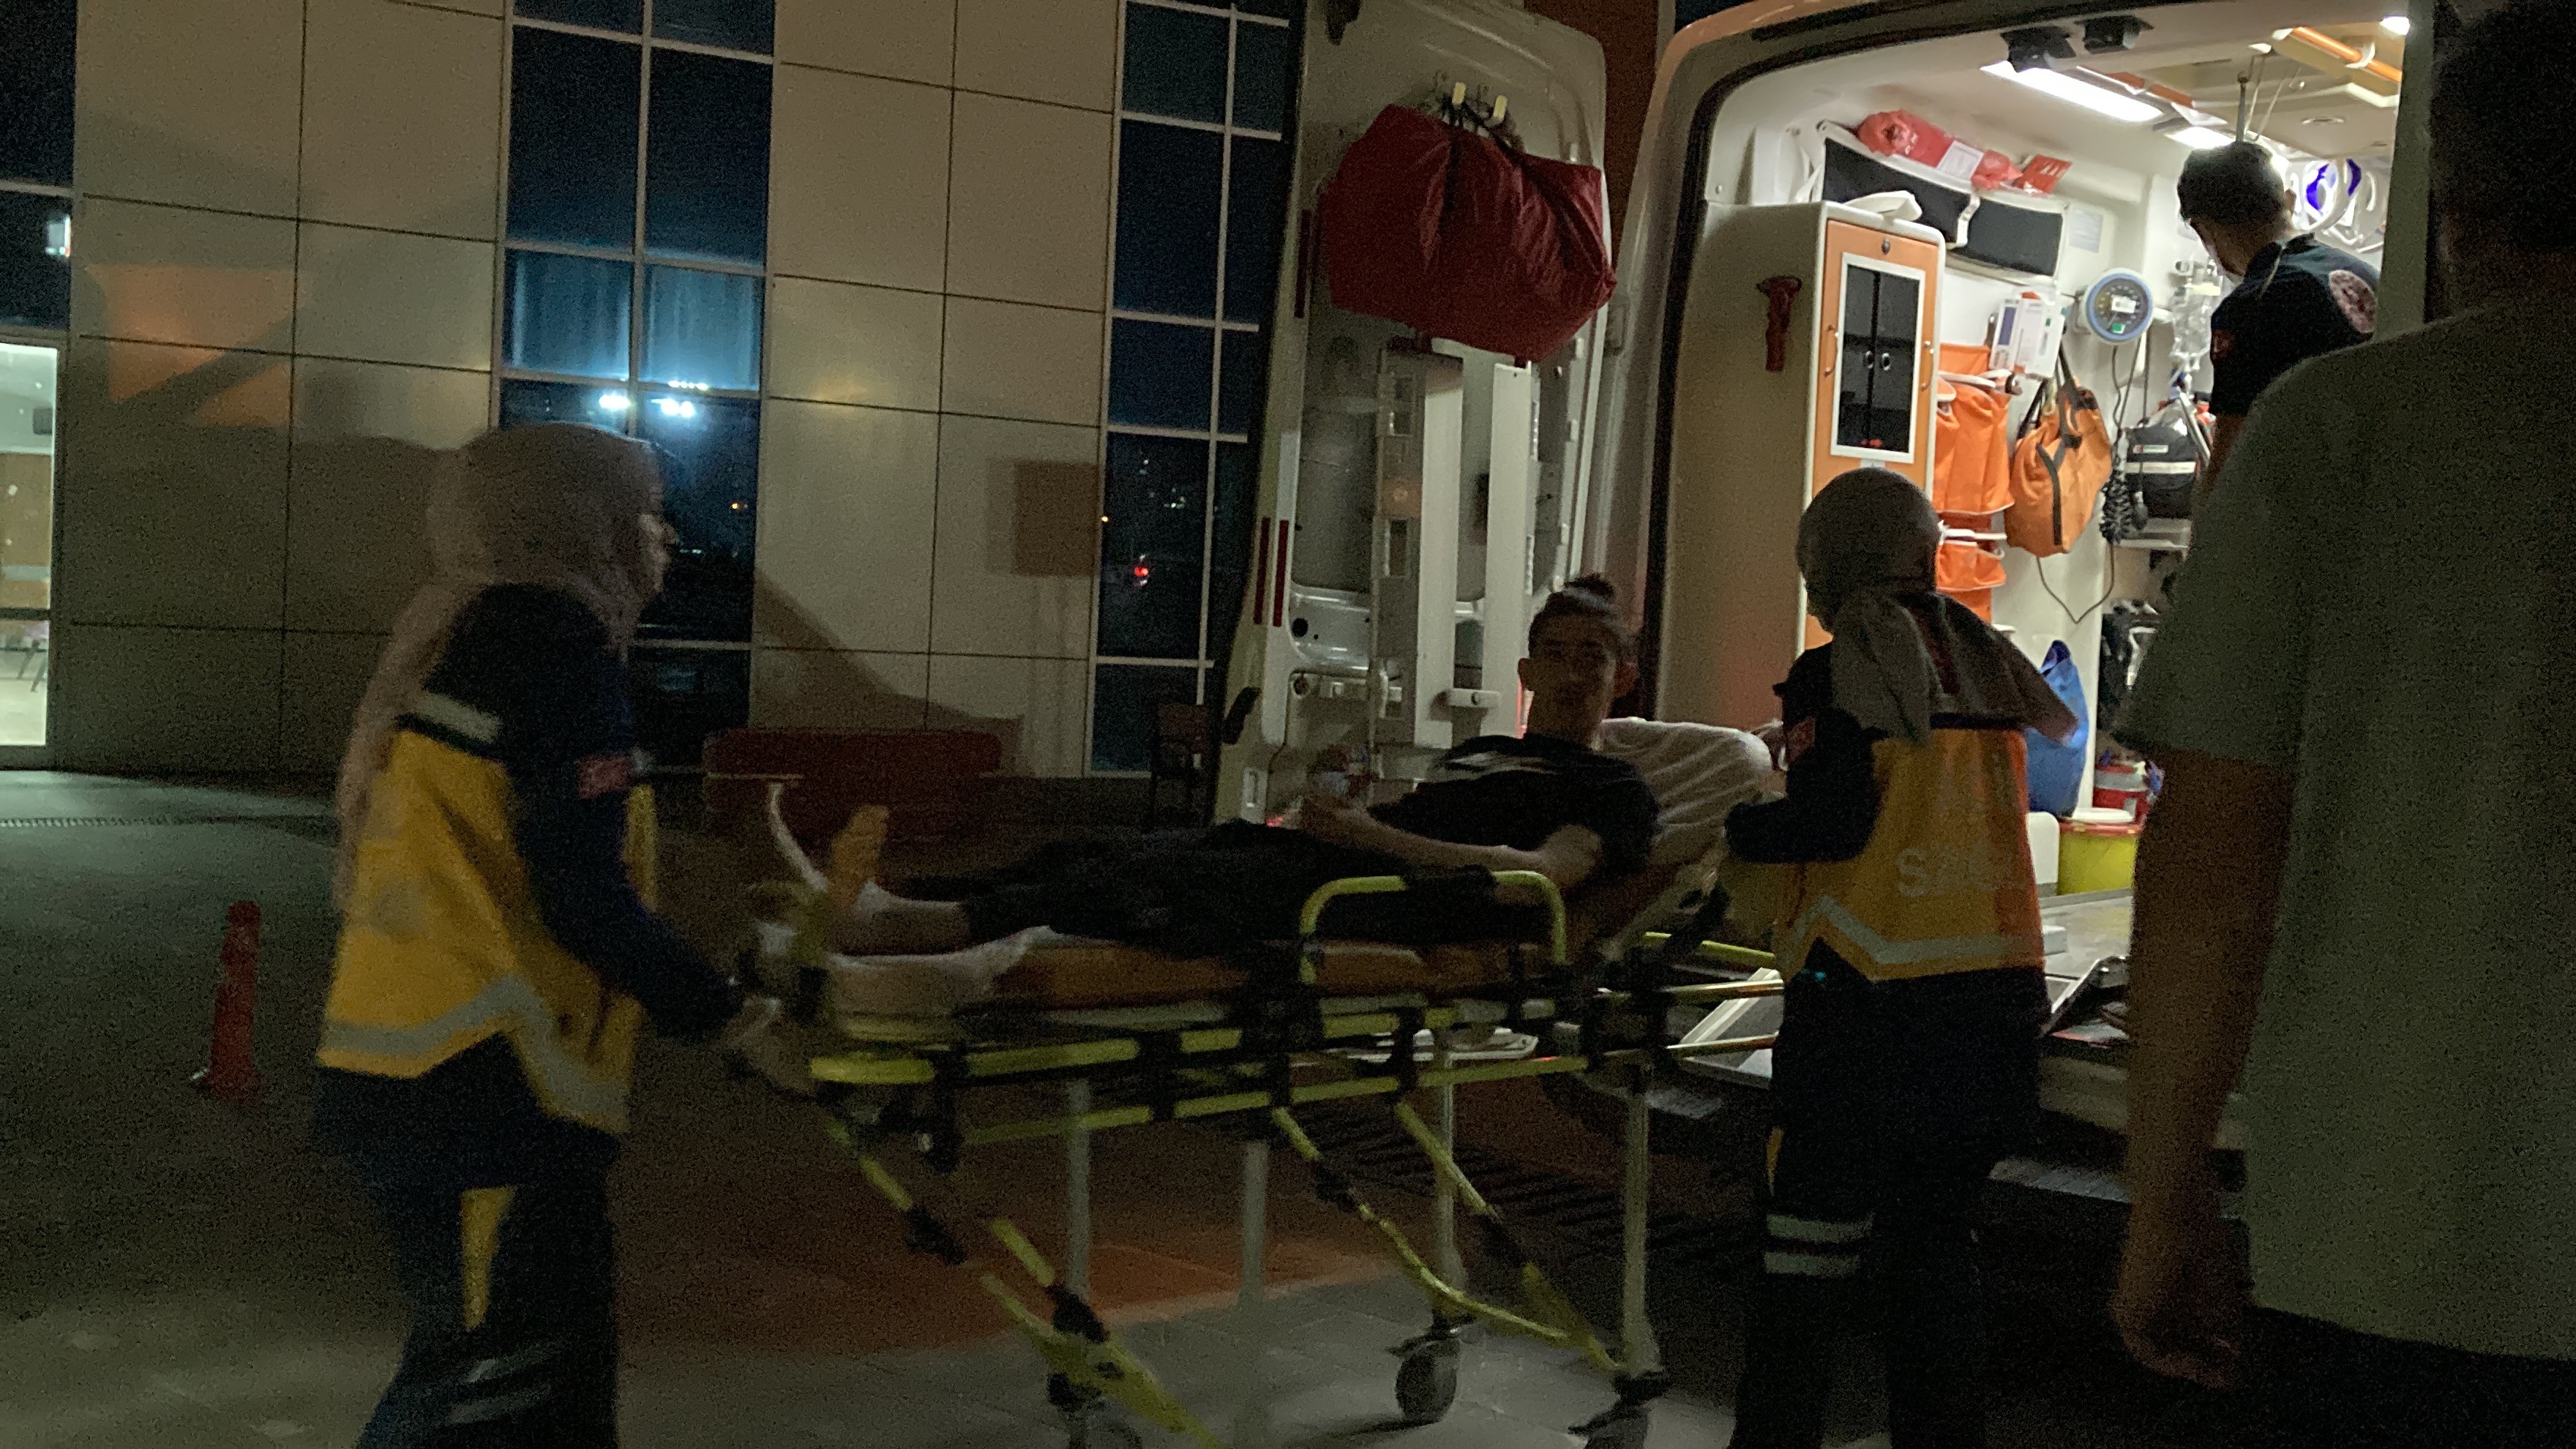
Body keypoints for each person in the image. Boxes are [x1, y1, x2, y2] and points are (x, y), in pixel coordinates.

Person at [2110, 4, 2576, 1443]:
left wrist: (2163, 1190)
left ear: (2465, 212)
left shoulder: (2334, 427)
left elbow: (2215, 860)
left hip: (2394, 1235)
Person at [315, 424, 806, 1448]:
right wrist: (731, 1018)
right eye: (647, 517)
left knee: (540, 1391)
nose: (665, 539)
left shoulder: (471, 641)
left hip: (435, 1081)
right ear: (580, 527)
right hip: (481, 1091)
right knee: (487, 1392)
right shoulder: (554, 658)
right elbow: (580, 897)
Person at [1721, 468, 2078, 1449]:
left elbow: (1834, 822)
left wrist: (1742, 827)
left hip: (1865, 1020)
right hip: (1992, 1019)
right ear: (1925, 557)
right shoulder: (1990, 668)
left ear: (1823, 572)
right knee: (1934, 1273)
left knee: (1804, 1273)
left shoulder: (1839, 670)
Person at [834, 576, 1659, 968]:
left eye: (1592, 658)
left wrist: (1370, 836)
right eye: (1555, 654)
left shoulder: (1612, 789)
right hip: (1344, 860)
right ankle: (898, 899)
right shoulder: (1480, 755)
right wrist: (1353, 803)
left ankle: (913, 935)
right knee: (1097, 851)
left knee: (1160, 881)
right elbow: (1424, 820)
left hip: (1389, 896)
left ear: (1621, 678)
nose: (1571, 673)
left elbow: (1535, 882)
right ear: (1525, 670)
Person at [2177, 140, 2379, 489]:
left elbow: (2231, 467)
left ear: (2202, 230)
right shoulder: (2367, 276)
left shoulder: (2254, 303)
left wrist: (2205, 517)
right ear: (2289, 201)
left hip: (2321, 501)